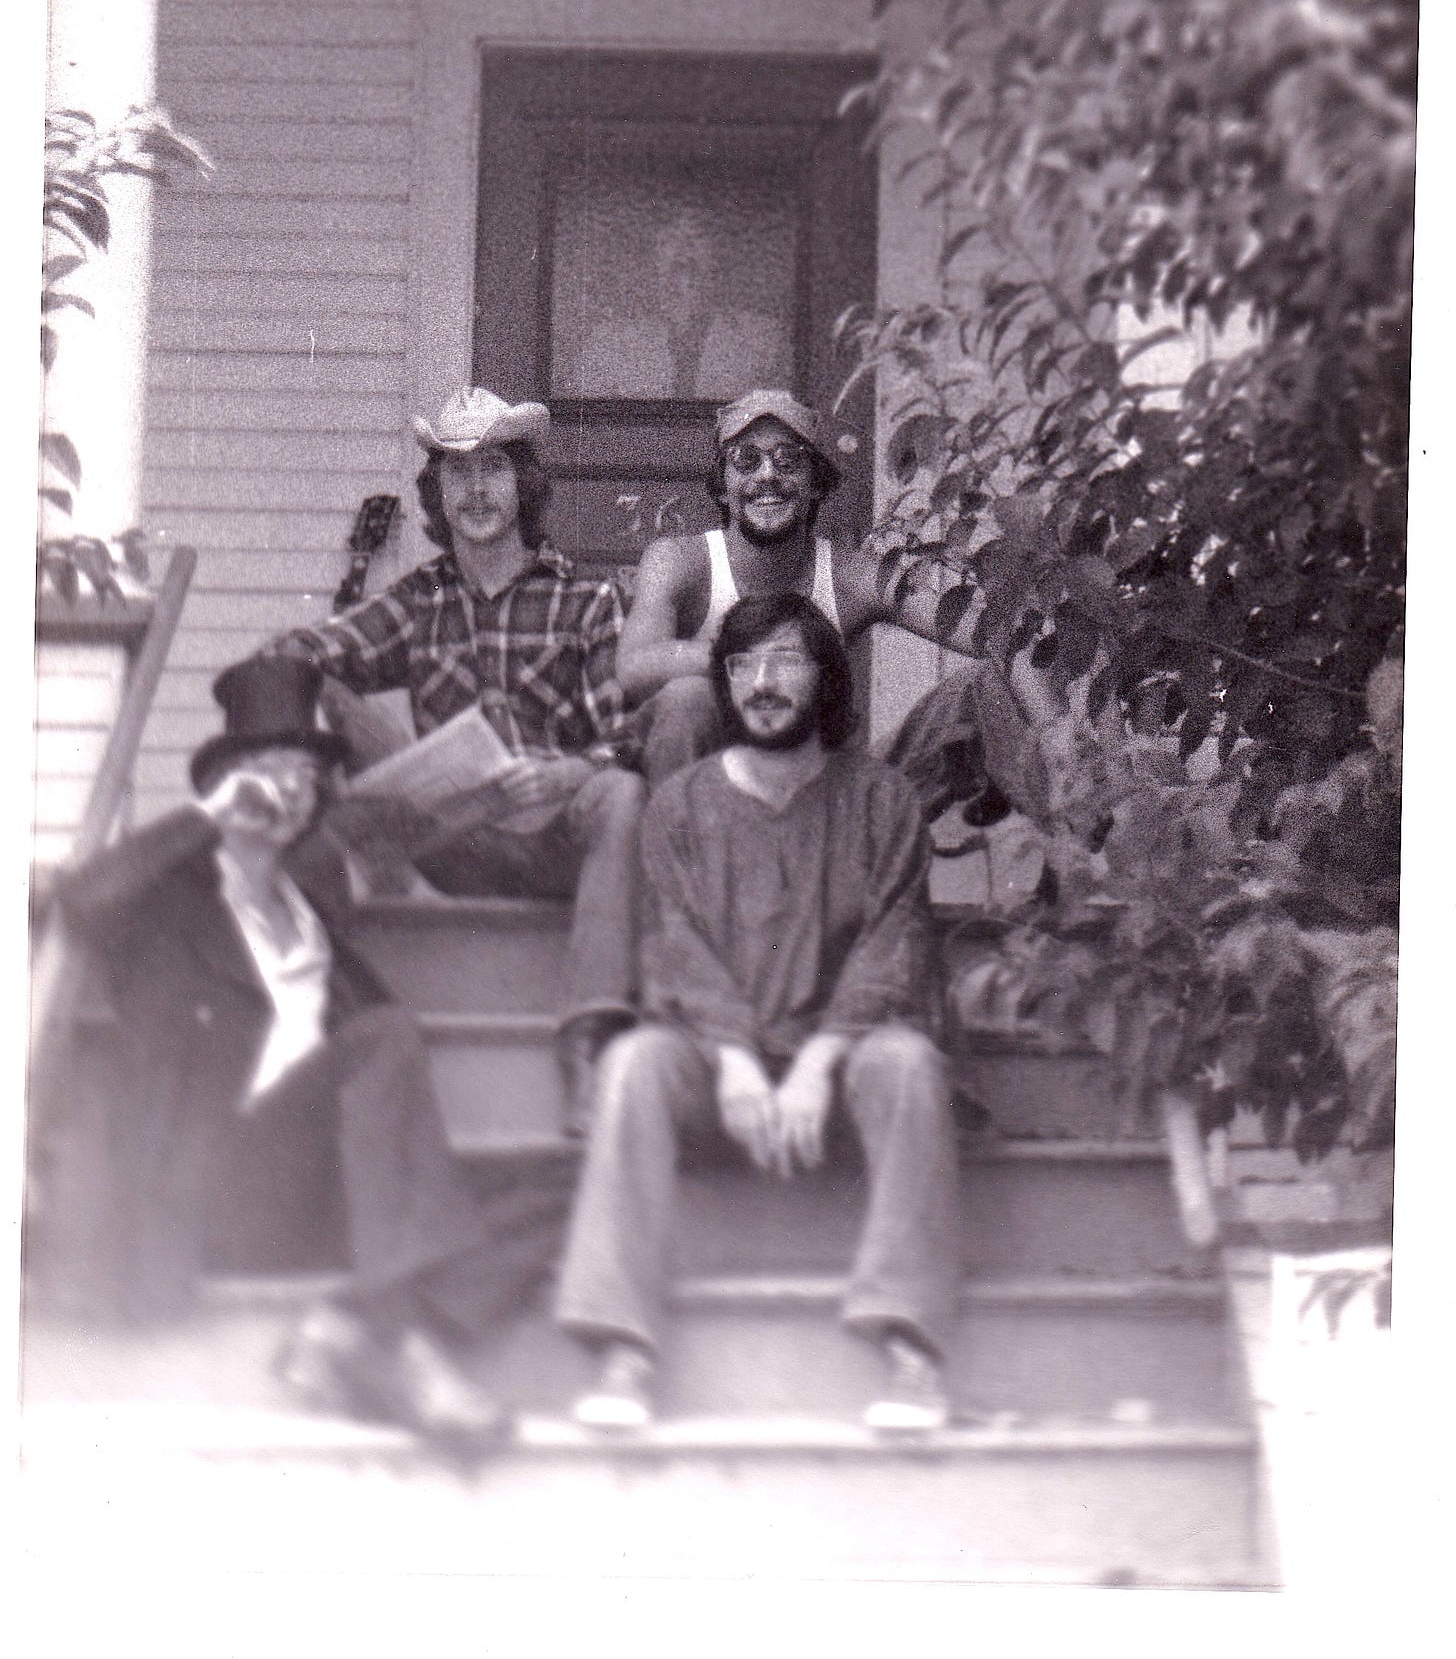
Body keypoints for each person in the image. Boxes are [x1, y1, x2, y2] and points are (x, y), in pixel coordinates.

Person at [51, 656, 576, 1453]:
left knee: (569, 1179)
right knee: (385, 1037)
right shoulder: (171, 904)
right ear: (224, 783)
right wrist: (212, 817)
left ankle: (356, 1321)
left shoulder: (313, 912)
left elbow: (387, 837)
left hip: (319, 1191)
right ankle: (404, 1350)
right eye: (266, 770)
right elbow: (81, 902)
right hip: (214, 1182)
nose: (287, 788)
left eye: (304, 774)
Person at [555, 594, 962, 1432]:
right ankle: (624, 1355)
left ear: (828, 677)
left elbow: (894, 948)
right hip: (719, 1073)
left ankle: (911, 1350)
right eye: (741, 664)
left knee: (910, 1064)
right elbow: (673, 946)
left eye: (786, 660)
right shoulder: (680, 805)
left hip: (839, 1078)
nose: (762, 683)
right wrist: (736, 1061)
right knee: (633, 1063)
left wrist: (819, 1064)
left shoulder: (882, 801)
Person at [268, 386, 645, 1126]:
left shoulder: (588, 598)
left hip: (558, 844)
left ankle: (589, 1045)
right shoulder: (420, 599)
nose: (476, 490)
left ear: (525, 484)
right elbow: (303, 650)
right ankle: (319, 980)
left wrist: (572, 772)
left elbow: (620, 741)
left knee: (621, 792)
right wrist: (298, 669)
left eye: (495, 468)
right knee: (301, 680)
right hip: (453, 840)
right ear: (437, 492)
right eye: (457, 472)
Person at [618, 387, 1053, 827]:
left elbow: (993, 634)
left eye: (789, 460)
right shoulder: (680, 561)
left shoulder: (849, 575)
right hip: (712, 820)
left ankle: (1071, 842)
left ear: (816, 485)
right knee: (687, 697)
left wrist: (1056, 730)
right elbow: (634, 666)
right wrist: (752, 656)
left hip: (819, 810)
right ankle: (680, 882)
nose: (767, 475)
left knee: (987, 685)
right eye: (746, 459)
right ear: (723, 486)